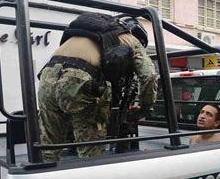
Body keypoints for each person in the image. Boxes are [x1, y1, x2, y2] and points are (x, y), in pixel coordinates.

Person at [38, 12, 157, 161]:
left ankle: (45, 177)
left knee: (49, 146)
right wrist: (145, 108)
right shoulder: (130, 39)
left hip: (47, 76)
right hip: (79, 79)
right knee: (90, 151)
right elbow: (149, 76)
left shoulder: (86, 33)